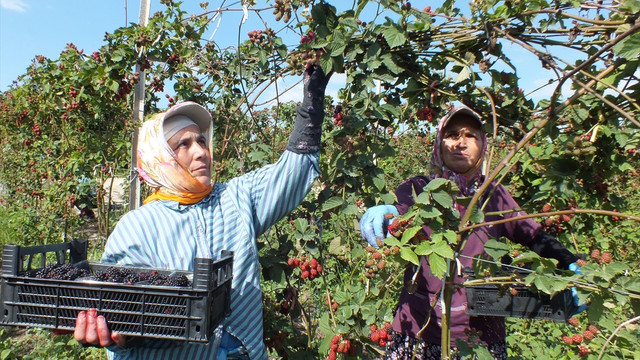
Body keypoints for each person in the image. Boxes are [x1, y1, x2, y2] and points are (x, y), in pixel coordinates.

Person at [72, 63, 331, 360]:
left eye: (202, 141)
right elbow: (119, 316)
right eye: (183, 145)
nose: (200, 152)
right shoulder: (137, 228)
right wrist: (117, 334)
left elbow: (292, 174)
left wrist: (311, 106)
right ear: (160, 158)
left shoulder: (235, 199)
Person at [359, 106, 584, 360]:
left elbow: (532, 235)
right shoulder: (419, 188)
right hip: (419, 328)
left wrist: (571, 261)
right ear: (439, 143)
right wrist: (388, 213)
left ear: (483, 144)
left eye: (471, 136)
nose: (461, 143)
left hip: (479, 339)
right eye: (453, 134)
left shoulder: (493, 196)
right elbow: (400, 214)